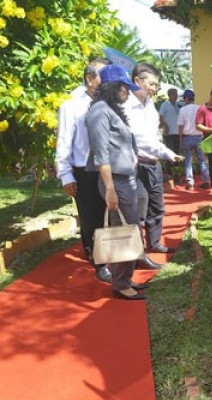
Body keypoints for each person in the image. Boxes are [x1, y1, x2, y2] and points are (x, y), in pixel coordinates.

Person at [84, 65, 149, 301]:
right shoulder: (100, 112)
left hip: (125, 179)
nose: (127, 92)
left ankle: (125, 278)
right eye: (124, 88)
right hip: (116, 182)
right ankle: (121, 284)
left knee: (130, 228)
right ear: (112, 87)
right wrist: (110, 188)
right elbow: (101, 154)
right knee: (125, 230)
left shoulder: (110, 110)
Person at [55, 56, 113, 283]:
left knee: (110, 214)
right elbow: (64, 142)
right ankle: (99, 262)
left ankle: (110, 253)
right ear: (90, 79)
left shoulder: (108, 102)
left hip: (108, 167)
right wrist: (66, 175)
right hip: (85, 171)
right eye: (103, 75)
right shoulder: (71, 106)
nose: (108, 80)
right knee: (92, 218)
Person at [124, 63, 184, 256]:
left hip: (154, 163)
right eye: (151, 83)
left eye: (156, 85)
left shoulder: (150, 105)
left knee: (157, 207)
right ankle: (137, 252)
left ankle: (155, 242)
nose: (154, 88)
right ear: (137, 81)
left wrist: (162, 153)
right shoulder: (126, 106)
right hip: (137, 164)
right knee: (139, 210)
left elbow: (154, 134)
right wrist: (166, 152)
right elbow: (139, 138)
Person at [177, 89, 210, 190]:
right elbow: (204, 123)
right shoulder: (200, 108)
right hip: (199, 137)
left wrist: (180, 138)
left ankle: (190, 182)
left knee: (188, 160)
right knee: (202, 160)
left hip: (187, 137)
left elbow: (181, 125)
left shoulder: (182, 110)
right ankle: (206, 180)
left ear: (186, 99)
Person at [159, 87, 181, 152]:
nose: (176, 96)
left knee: (177, 151)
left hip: (177, 132)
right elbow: (160, 116)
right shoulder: (165, 105)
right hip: (169, 133)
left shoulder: (179, 105)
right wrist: (165, 126)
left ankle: (176, 163)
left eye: (176, 94)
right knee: (170, 151)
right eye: (174, 94)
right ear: (169, 95)